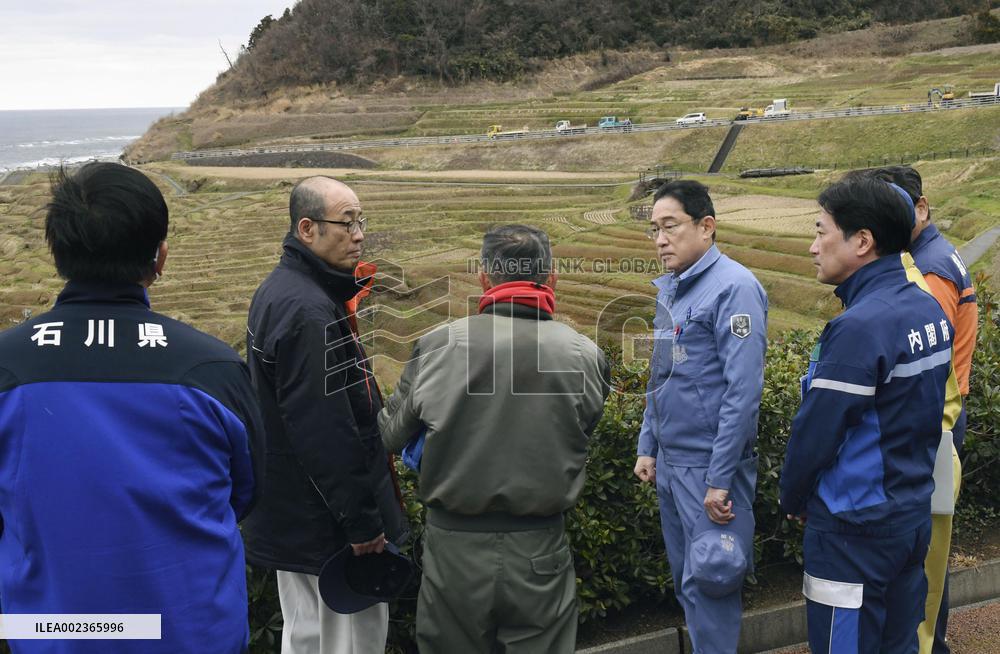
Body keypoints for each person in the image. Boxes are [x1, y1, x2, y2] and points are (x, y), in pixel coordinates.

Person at [0, 162, 264, 653]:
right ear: (160, 256)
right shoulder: (212, 368)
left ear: (57, 252)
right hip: (191, 635)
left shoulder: (7, 368)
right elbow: (244, 492)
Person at [378, 224, 609, 653]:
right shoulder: (584, 355)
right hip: (541, 548)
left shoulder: (439, 345)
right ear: (551, 278)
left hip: (454, 549)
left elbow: (390, 436)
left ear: (485, 277)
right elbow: (584, 428)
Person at [780, 177, 953, 653]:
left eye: (822, 232)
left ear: (862, 241)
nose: (813, 247)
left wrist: (791, 496)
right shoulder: (927, 309)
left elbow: (817, 431)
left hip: (852, 528)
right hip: (910, 515)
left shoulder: (859, 327)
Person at [242, 177, 408, 654]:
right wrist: (361, 523)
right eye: (347, 222)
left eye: (361, 221)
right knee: (349, 642)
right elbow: (325, 429)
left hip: (299, 519)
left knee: (307, 636)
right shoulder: (308, 310)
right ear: (308, 228)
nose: (358, 234)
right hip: (330, 531)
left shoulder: (283, 290)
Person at [634, 180, 768, 653]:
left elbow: (742, 392)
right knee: (687, 583)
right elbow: (662, 374)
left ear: (706, 226)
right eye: (654, 229)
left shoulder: (734, 288)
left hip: (709, 470)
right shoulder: (672, 289)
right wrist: (648, 446)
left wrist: (720, 479)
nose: (660, 240)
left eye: (670, 226)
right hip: (672, 464)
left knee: (712, 580)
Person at [865, 166, 977, 654]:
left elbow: (916, 359)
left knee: (925, 558)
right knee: (930, 551)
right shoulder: (936, 253)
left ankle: (931, 644)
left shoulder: (928, 272)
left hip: (936, 425)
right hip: (946, 417)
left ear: (921, 209)